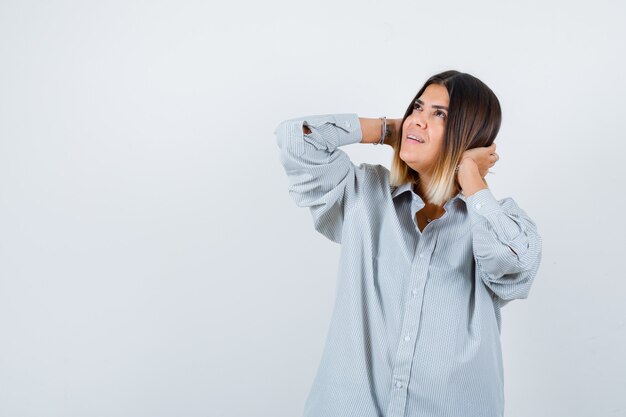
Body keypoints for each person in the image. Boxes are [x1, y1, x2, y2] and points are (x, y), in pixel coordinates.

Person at [273, 70, 543, 417]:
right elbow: (296, 138)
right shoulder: (364, 194)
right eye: (418, 108)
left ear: (469, 136)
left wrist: (471, 176)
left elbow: (516, 267)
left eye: (439, 114)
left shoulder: (494, 221)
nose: (418, 120)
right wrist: (388, 130)